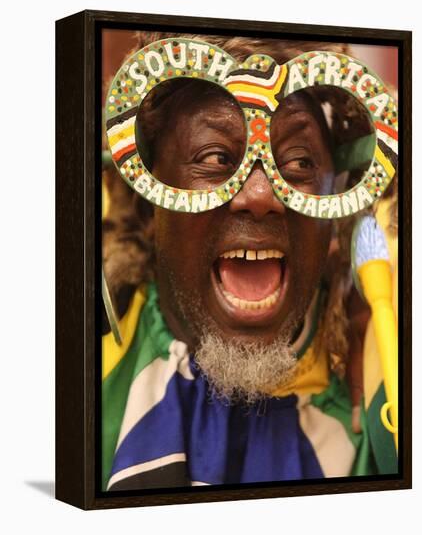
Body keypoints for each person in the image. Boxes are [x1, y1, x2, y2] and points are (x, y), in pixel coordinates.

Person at [101, 32, 398, 491]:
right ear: (147, 207)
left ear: (336, 214)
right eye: (215, 157)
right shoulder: (80, 354)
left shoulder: (391, 360)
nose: (261, 196)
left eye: (298, 163)